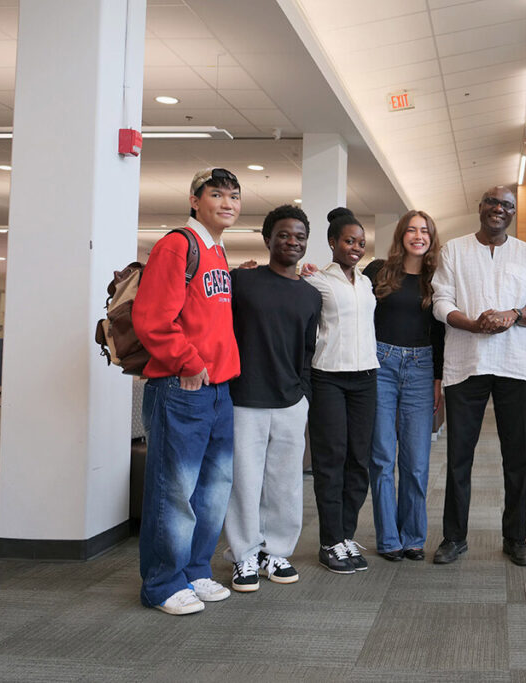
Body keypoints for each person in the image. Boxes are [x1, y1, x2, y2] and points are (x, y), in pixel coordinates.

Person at [132, 167, 242, 615]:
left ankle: (196, 570)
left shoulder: (217, 251)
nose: (228, 203)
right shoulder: (178, 244)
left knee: (213, 489)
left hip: (219, 391)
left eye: (234, 196)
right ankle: (161, 583)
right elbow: (152, 318)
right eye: (217, 194)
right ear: (195, 200)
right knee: (173, 489)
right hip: (183, 387)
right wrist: (189, 362)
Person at [431, 185, 526, 567]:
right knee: (458, 455)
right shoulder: (453, 249)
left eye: (507, 205)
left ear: (514, 213)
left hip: (515, 365)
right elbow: (441, 301)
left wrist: (512, 315)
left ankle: (516, 538)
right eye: (493, 203)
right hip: (466, 363)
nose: (499, 209)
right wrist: (472, 324)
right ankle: (454, 537)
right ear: (480, 207)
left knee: (519, 458)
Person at [223, 205, 321, 592]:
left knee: (285, 483)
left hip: (290, 402)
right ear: (267, 239)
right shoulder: (242, 282)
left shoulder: (311, 295)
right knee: (245, 482)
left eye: (299, 236)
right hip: (245, 397)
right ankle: (244, 556)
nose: (292, 241)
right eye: (283, 234)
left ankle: (276, 551)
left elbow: (309, 351)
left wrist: (304, 395)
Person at [363, 210, 444, 562]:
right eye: (411, 230)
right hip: (380, 363)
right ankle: (389, 538)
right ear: (400, 235)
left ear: (431, 238)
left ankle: (413, 536)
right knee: (382, 458)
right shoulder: (377, 271)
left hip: (422, 367)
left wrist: (439, 379)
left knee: (416, 462)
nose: (418, 236)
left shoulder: (438, 278)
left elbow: (442, 332)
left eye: (424, 231)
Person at [306, 207, 378, 575]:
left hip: (366, 379)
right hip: (329, 378)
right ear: (332, 242)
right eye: (349, 241)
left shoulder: (365, 282)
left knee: (359, 461)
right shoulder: (317, 280)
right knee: (331, 461)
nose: (355, 247)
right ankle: (329, 540)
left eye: (361, 242)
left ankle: (346, 536)